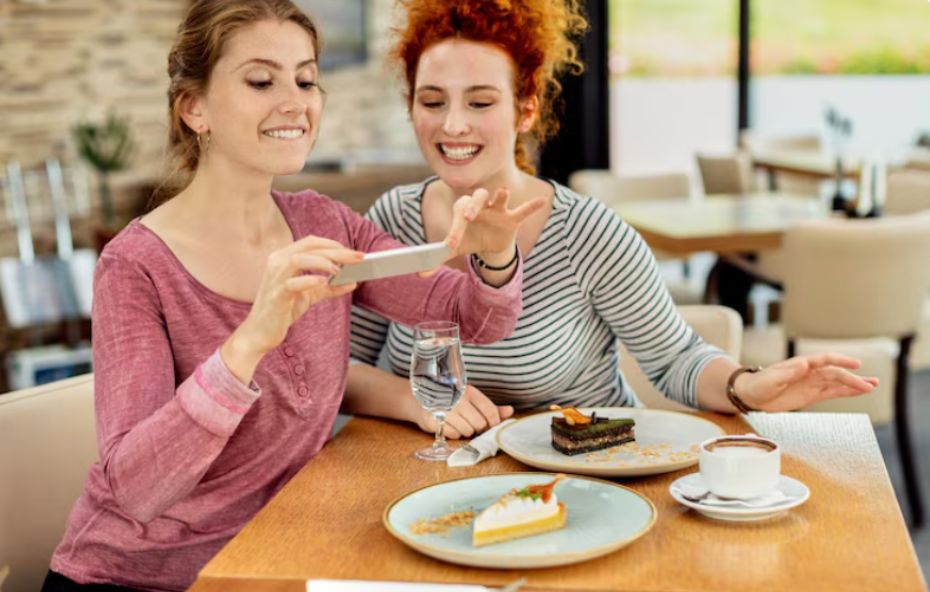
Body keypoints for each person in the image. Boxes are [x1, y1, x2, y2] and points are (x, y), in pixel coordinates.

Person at [43, 1, 542, 590]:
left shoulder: (326, 226)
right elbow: (136, 489)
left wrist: (495, 251)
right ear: (194, 107)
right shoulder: (135, 265)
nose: (295, 102)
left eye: (306, 79)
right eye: (261, 80)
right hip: (136, 580)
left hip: (274, 559)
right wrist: (252, 337)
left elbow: (468, 317)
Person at [344, 0, 878, 439]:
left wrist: (748, 385)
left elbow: (676, 359)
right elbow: (339, 366)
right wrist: (410, 396)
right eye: (432, 101)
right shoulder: (392, 219)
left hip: (583, 480)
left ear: (525, 108)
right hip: (427, 483)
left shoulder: (587, 233)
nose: (453, 124)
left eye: (481, 102)